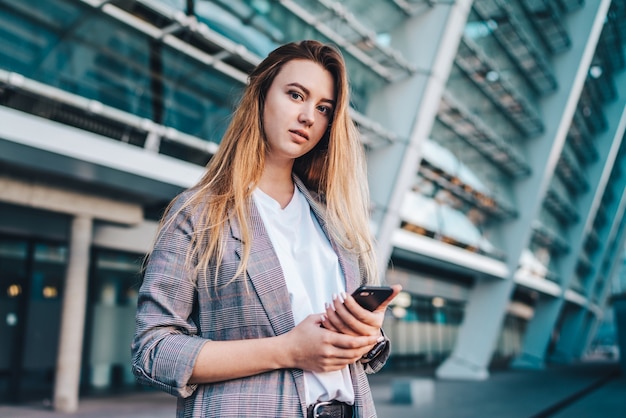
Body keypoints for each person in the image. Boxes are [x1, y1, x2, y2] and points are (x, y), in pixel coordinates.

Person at [131, 39, 401, 418]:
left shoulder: (332, 222)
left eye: (323, 108)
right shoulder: (198, 214)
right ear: (260, 96)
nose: (309, 116)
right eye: (295, 95)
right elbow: (153, 352)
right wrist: (287, 350)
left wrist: (365, 335)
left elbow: (346, 349)